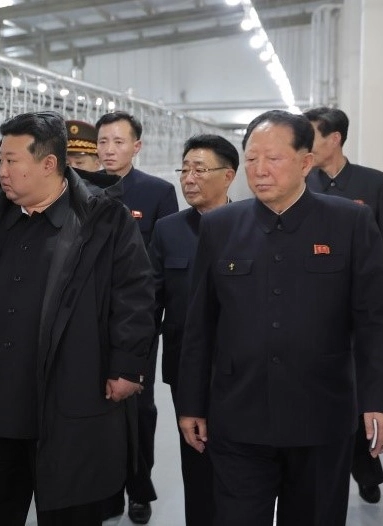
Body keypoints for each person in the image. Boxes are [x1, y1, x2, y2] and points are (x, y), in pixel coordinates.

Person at [177, 110, 383, 526]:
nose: (260, 170)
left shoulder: (349, 222)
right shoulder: (221, 226)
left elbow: (376, 319)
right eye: (251, 158)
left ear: (305, 162)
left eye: (273, 158)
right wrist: (191, 403)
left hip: (321, 414)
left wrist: (380, 401)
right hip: (238, 414)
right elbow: (200, 323)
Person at [0, 110, 156, 526]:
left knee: (70, 507)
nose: (2, 171)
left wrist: (127, 365)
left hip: (70, 394)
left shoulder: (103, 219)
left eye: (11, 161)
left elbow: (135, 295)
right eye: (1, 161)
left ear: (48, 163)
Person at [303, 106, 383, 505]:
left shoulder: (372, 183)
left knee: (357, 395)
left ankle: (366, 470)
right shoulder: (302, 182)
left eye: (311, 136)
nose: (305, 145)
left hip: (358, 311)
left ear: (335, 138)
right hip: (312, 314)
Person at [147, 134, 238, 526]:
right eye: (184, 169)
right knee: (197, 465)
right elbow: (149, 302)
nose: (189, 178)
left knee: (240, 468)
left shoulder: (250, 224)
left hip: (242, 371)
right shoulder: (168, 230)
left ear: (228, 176)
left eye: (200, 169)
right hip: (186, 370)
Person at [95, 110, 178, 524]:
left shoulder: (157, 192)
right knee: (97, 407)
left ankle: (139, 490)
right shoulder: (82, 187)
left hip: (138, 320)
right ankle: (105, 490)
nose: (109, 150)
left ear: (136, 146)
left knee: (140, 409)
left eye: (118, 142)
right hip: (91, 319)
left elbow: (162, 263)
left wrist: (150, 321)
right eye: (103, 141)